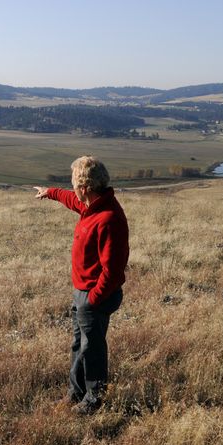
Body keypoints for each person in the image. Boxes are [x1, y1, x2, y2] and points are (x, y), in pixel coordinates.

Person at [34, 156, 129, 414]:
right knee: (79, 345)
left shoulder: (108, 218)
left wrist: (94, 299)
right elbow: (71, 200)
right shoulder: (92, 206)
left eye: (74, 183)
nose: (72, 188)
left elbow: (113, 271)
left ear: (85, 187)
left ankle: (94, 401)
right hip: (83, 293)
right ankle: (76, 394)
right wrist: (51, 193)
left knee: (92, 349)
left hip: (94, 296)